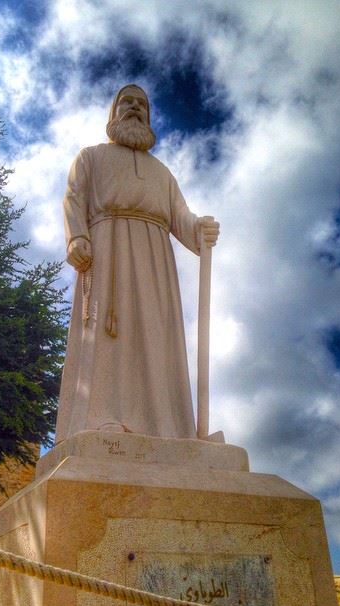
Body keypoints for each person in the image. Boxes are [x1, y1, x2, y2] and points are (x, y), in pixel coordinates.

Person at [55, 84, 219, 443]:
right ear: (113, 112)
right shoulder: (91, 157)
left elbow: (181, 217)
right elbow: (73, 199)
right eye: (126, 102)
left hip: (155, 263)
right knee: (110, 334)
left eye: (142, 103)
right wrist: (76, 236)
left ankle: (167, 427)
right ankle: (104, 418)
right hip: (108, 249)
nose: (134, 107)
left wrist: (199, 229)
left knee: (156, 336)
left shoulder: (163, 174)